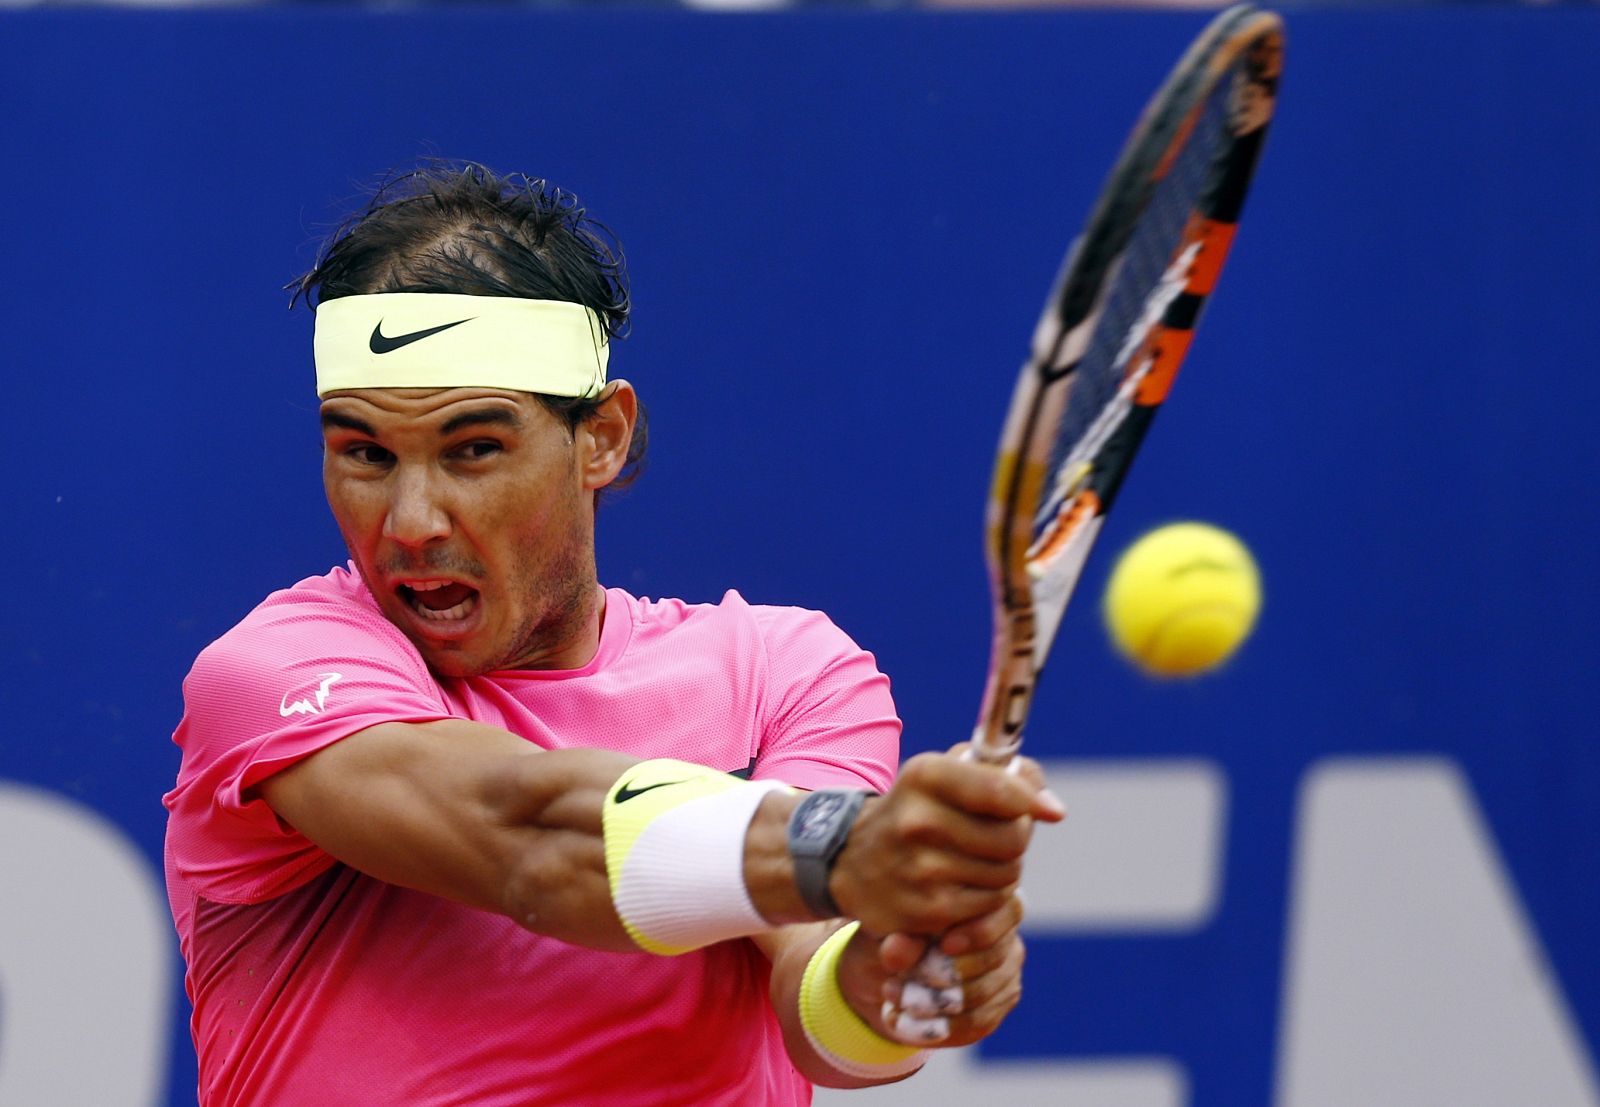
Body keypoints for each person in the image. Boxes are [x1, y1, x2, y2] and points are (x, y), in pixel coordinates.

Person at [163, 162, 1064, 1106]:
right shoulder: (273, 673)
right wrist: (848, 849)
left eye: (474, 448)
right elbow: (529, 840)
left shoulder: (785, 673)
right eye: (365, 454)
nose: (412, 519)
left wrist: (893, 978)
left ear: (602, 436)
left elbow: (825, 1012)